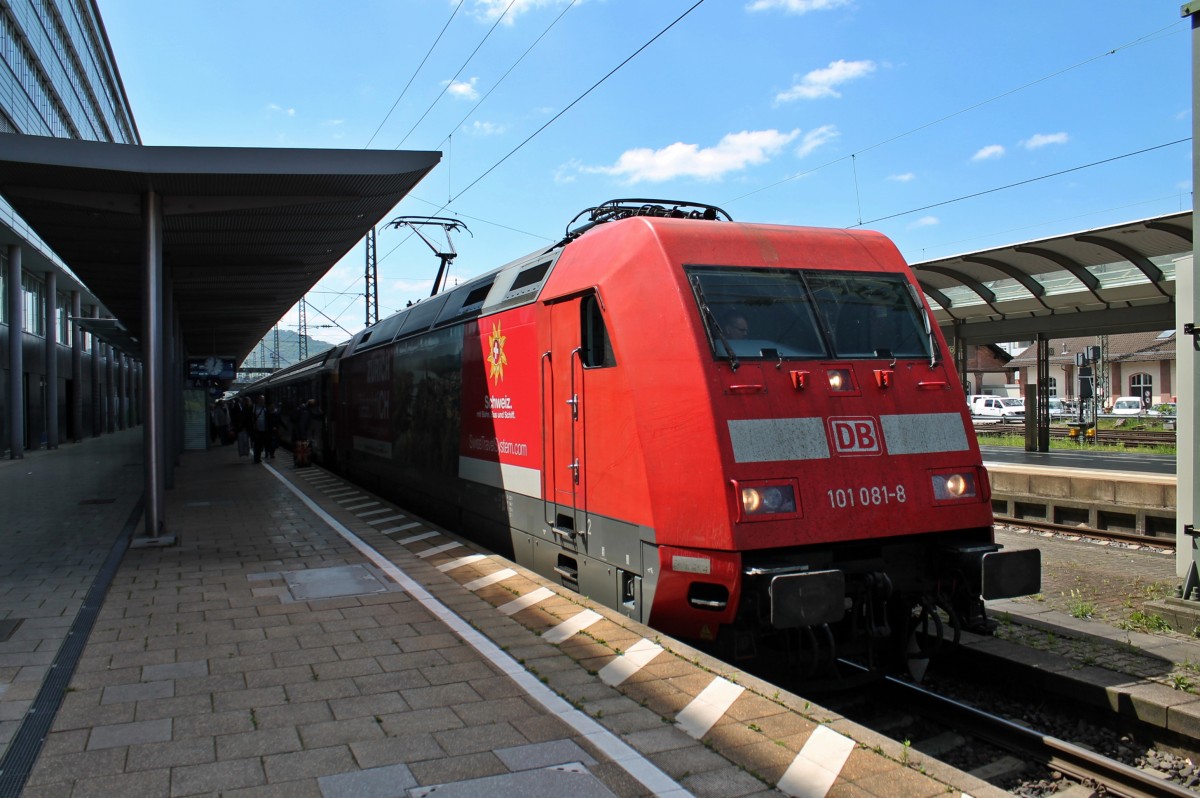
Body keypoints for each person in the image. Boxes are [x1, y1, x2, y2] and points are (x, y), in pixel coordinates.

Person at [250, 394, 269, 463]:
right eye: (261, 399)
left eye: (263, 400)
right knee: (257, 444)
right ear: (258, 400)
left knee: (261, 444)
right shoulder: (253, 407)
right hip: (257, 429)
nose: (262, 401)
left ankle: (260, 456)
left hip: (264, 429)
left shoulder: (265, 408)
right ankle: (256, 458)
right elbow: (251, 418)